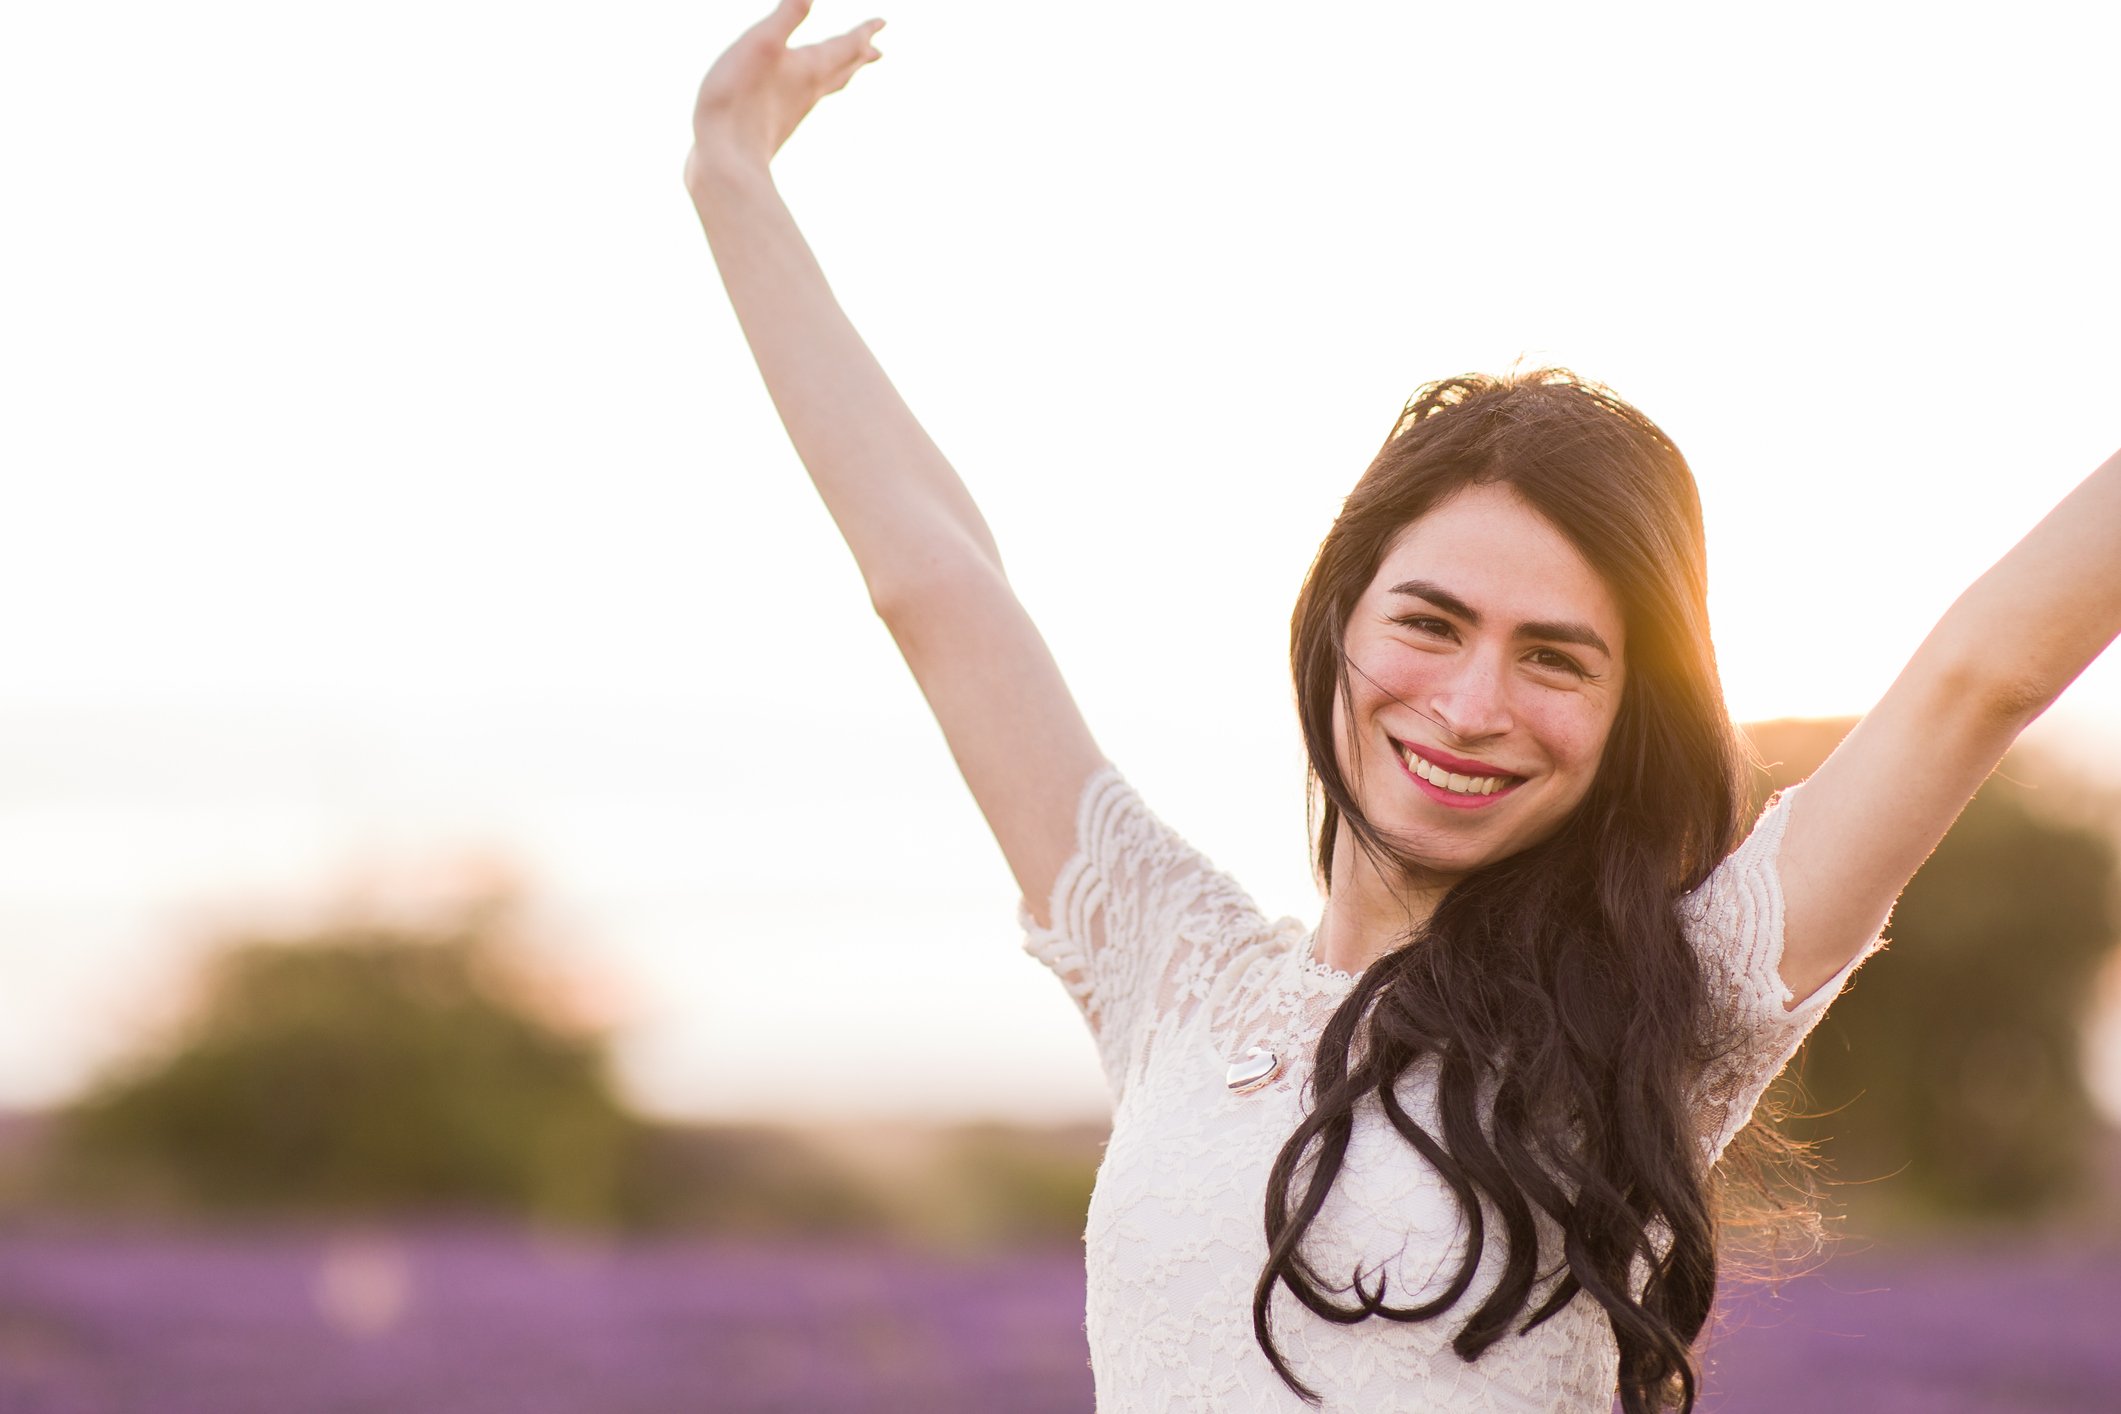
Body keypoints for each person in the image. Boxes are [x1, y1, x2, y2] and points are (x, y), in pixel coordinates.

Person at [681, 3, 2121, 1409]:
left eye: (1556, 658)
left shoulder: (1670, 1002)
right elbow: (934, 586)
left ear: (1628, 716)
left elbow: (1976, 674)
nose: (1472, 702)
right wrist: (732, 178)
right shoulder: (1170, 970)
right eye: (1430, 623)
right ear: (1336, 622)